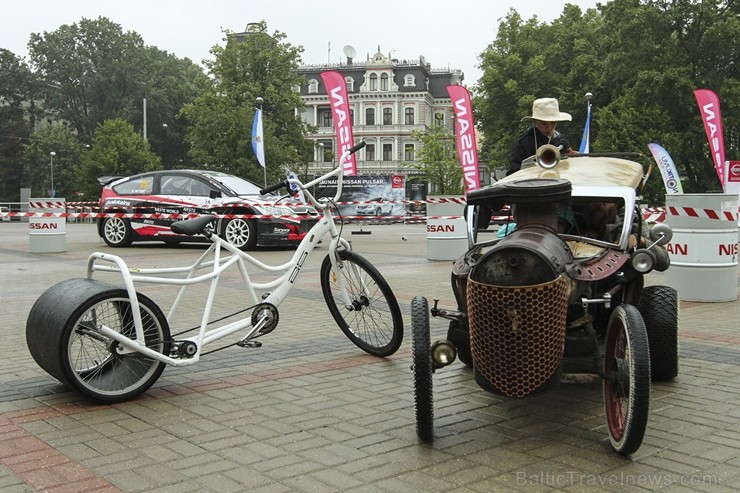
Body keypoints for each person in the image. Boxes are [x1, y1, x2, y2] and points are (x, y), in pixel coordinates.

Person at [507, 98, 572, 175]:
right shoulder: (522, 143)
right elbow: (513, 175)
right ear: (535, 121)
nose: (549, 127)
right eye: (543, 123)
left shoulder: (560, 140)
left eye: (553, 123)